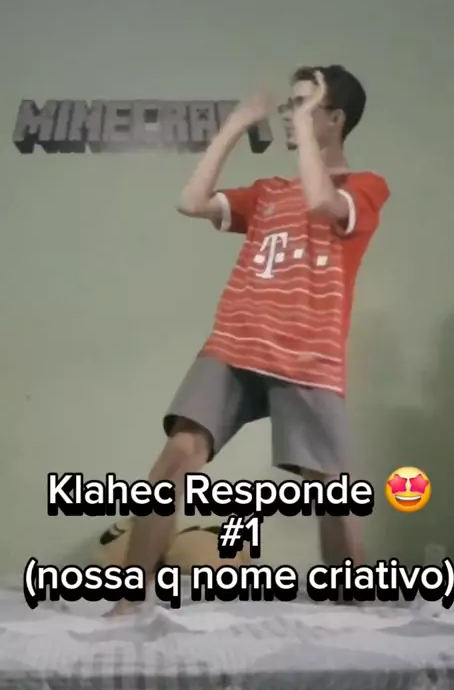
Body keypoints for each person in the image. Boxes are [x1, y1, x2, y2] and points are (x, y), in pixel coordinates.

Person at [109, 64, 390, 615]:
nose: (290, 115)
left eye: (303, 105)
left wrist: (304, 131)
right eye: (289, 106)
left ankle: (351, 609)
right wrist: (235, 126)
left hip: (307, 355)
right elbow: (191, 201)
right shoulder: (268, 194)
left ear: (335, 118)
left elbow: (322, 203)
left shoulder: (365, 188)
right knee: (175, 460)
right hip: (236, 342)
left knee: (333, 488)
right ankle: (126, 602)